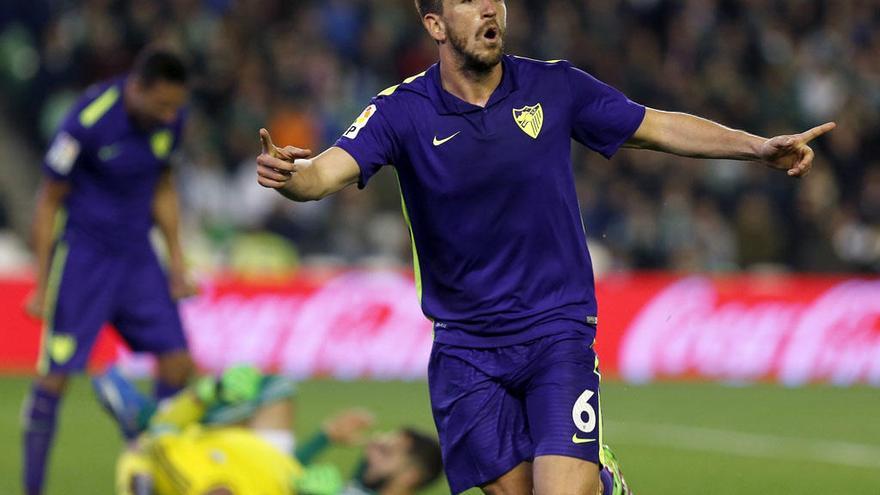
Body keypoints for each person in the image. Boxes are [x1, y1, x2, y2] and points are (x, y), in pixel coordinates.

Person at [254, 1, 835, 493]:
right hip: (465, 346)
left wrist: (757, 147)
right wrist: (293, 177)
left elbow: (656, 126)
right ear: (435, 25)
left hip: (555, 328)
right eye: (467, 0)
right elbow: (325, 172)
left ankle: (592, 476)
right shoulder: (401, 110)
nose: (489, 8)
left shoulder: (554, 86)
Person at [22, 47, 197, 495]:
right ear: (136, 88)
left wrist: (177, 262)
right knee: (55, 376)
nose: (168, 114)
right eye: (161, 105)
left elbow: (163, 188)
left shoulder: (169, 122)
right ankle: (32, 487)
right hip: (85, 257)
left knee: (178, 363)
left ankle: (156, 469)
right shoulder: (87, 119)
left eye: (175, 106)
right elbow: (48, 201)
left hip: (138, 256)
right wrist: (42, 284)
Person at [93, 365, 443, 495]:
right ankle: (155, 428)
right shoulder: (358, 485)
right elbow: (286, 473)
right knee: (276, 393)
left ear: (410, 476)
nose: (370, 448)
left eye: (384, 452)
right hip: (259, 475)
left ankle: (149, 423)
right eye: (377, 443)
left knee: (163, 448)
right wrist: (325, 438)